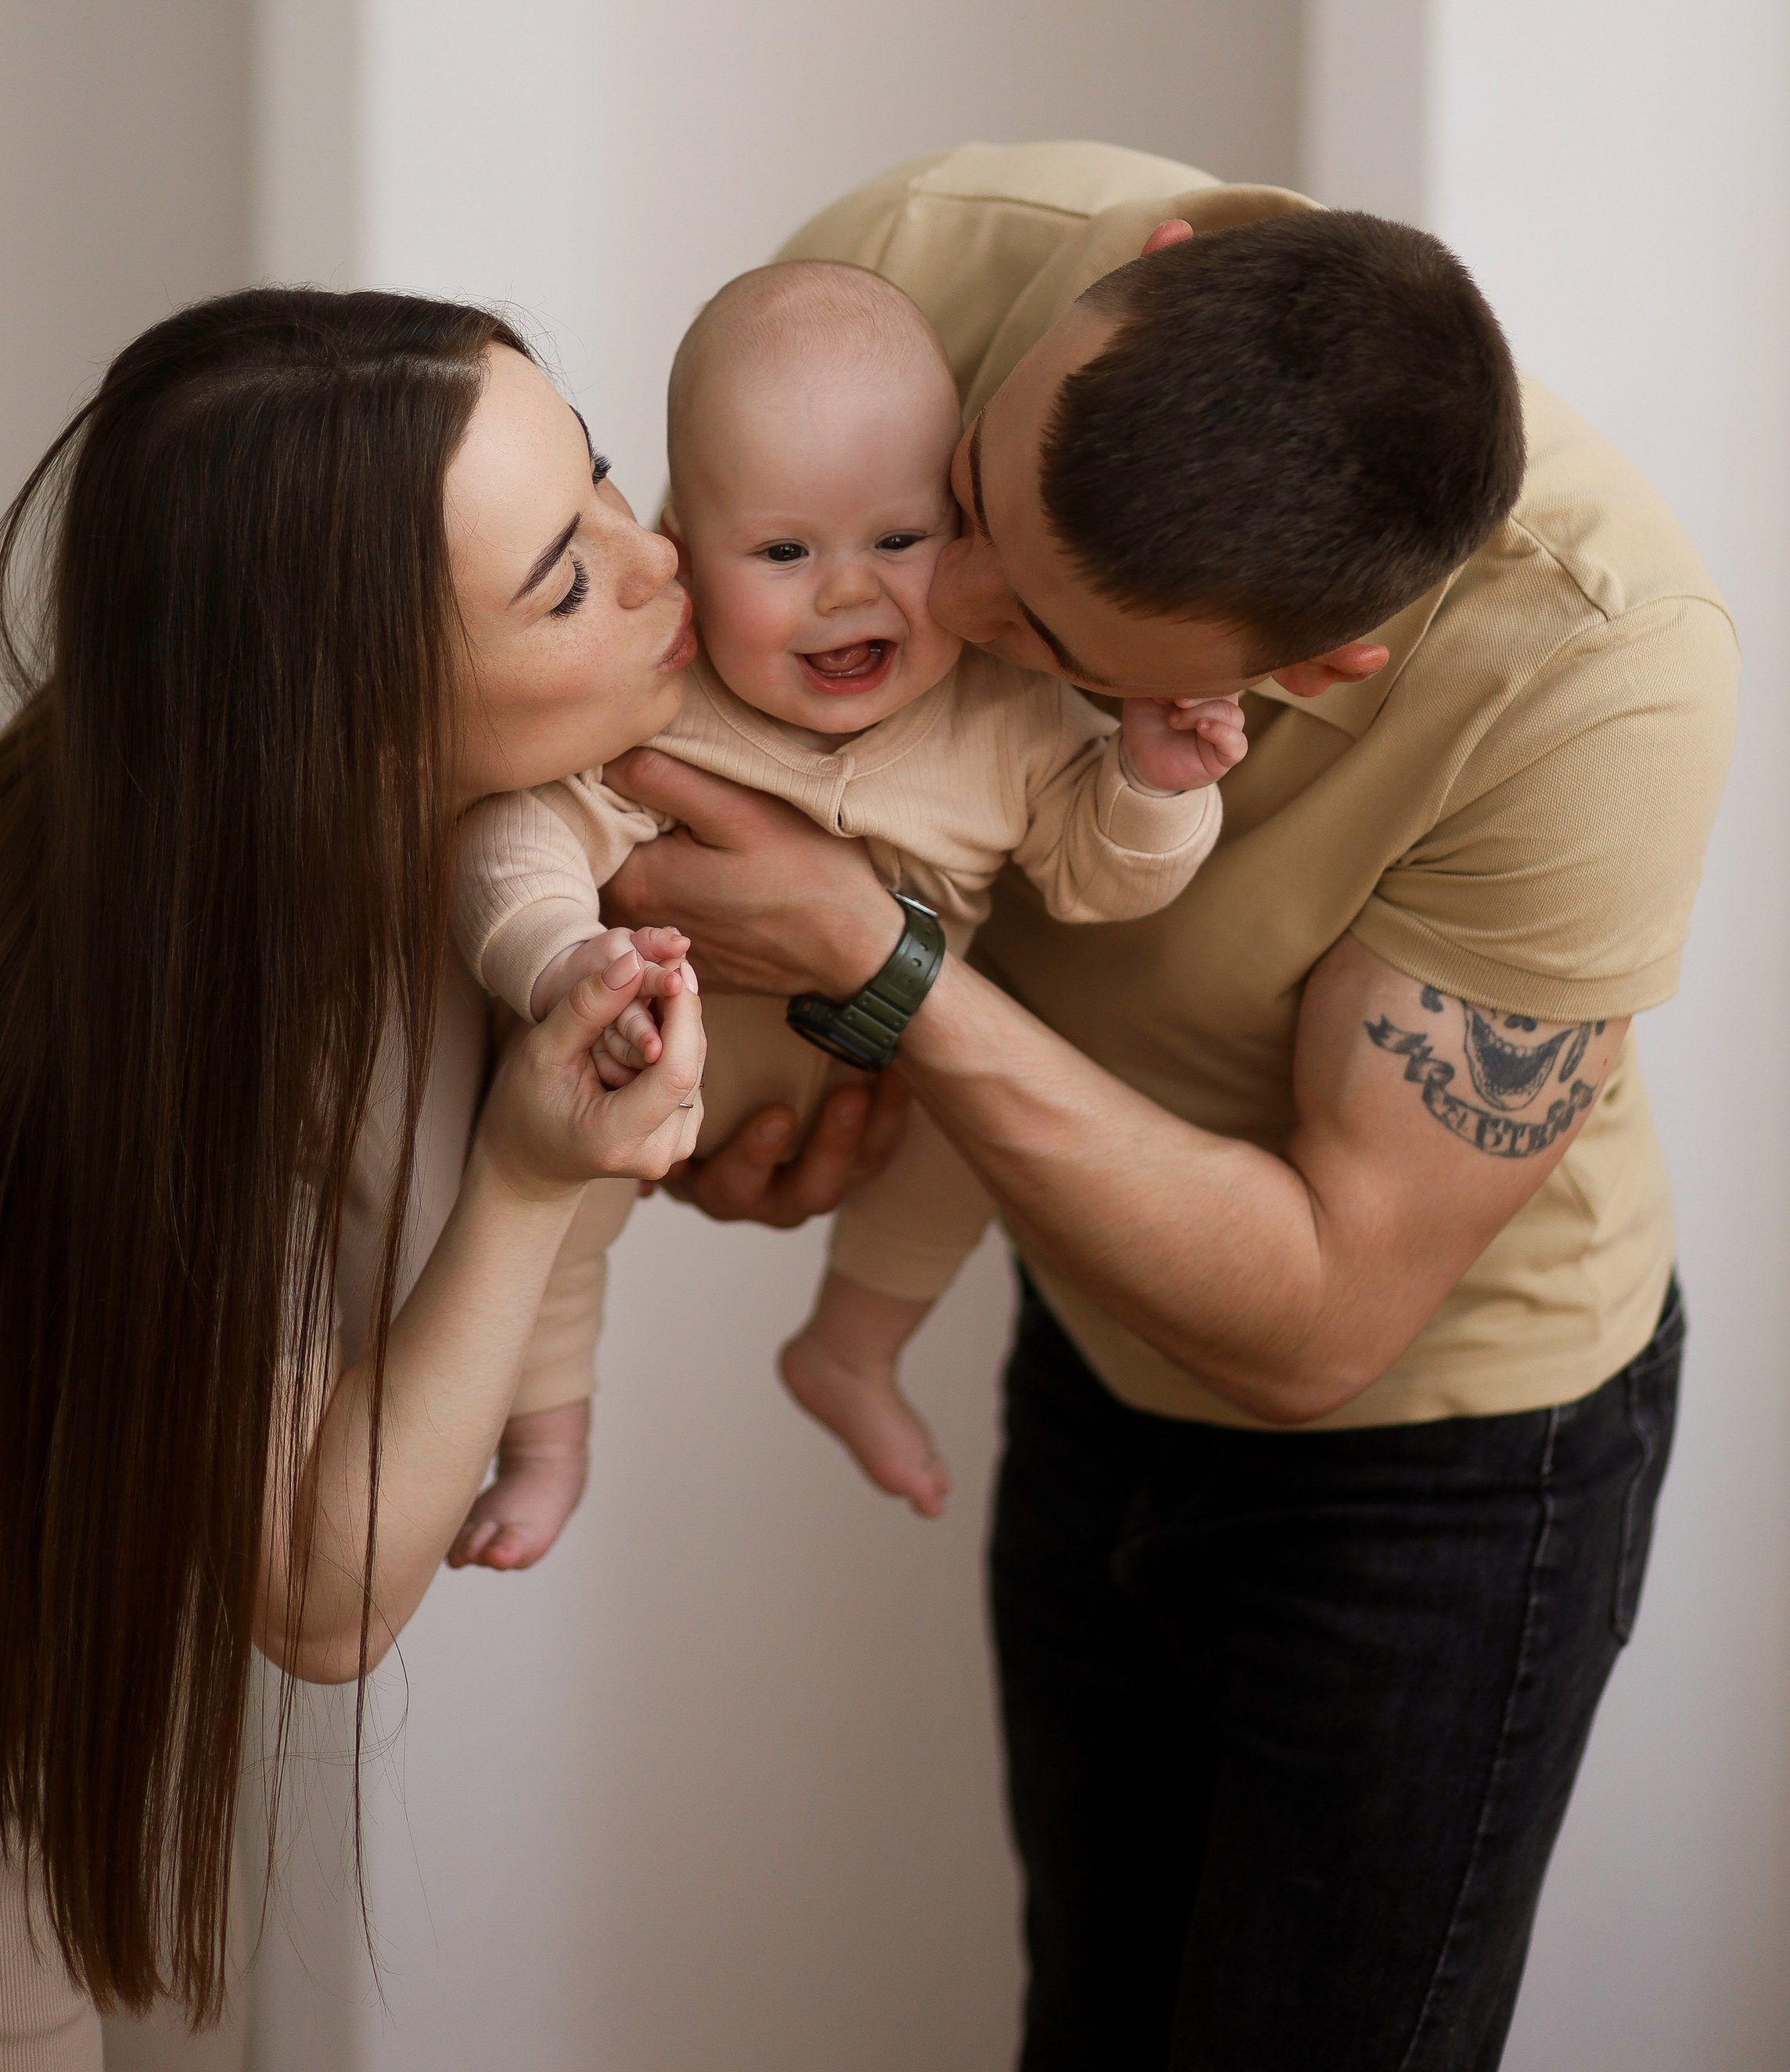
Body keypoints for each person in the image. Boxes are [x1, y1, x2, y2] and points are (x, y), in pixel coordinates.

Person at [602, 140, 1738, 2072]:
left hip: (1437, 1463)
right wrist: (730, 1081)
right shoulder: (926, 265)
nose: (942, 604)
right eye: (967, 496)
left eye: (1040, 640)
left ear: (1314, 675)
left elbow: (1321, 1318)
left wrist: (877, 979)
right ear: (1169, 265)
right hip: (1085, 1319)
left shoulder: (1595, 684)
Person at [0, 290, 709, 2065]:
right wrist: (526, 1183)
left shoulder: (390, 821)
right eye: (567, 580)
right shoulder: (92, 1011)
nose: (655, 556)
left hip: (96, 1662)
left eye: (597, 480)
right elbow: (321, 1593)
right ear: (354, 708)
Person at [449, 260, 1240, 1567]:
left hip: (897, 1084)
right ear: (684, 552)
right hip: (653, 1073)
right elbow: (512, 841)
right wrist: (565, 962)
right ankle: (545, 1445)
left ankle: (851, 1349)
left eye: (900, 538)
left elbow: (1103, 883)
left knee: (983, 1142)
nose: (849, 592)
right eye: (782, 552)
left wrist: (1152, 780)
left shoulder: (1002, 713)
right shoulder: (664, 707)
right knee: (555, 1211)